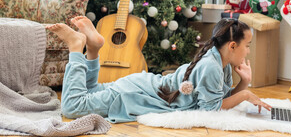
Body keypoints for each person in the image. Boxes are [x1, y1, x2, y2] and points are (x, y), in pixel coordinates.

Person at [47, 17, 271, 123]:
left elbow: (216, 98)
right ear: (232, 46)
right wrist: (246, 94)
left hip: (139, 86)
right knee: (73, 106)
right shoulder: (211, 66)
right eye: (247, 46)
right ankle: (77, 47)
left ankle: (93, 49)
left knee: (91, 90)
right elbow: (211, 111)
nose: (248, 52)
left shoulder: (218, 62)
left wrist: (244, 84)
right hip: (133, 96)